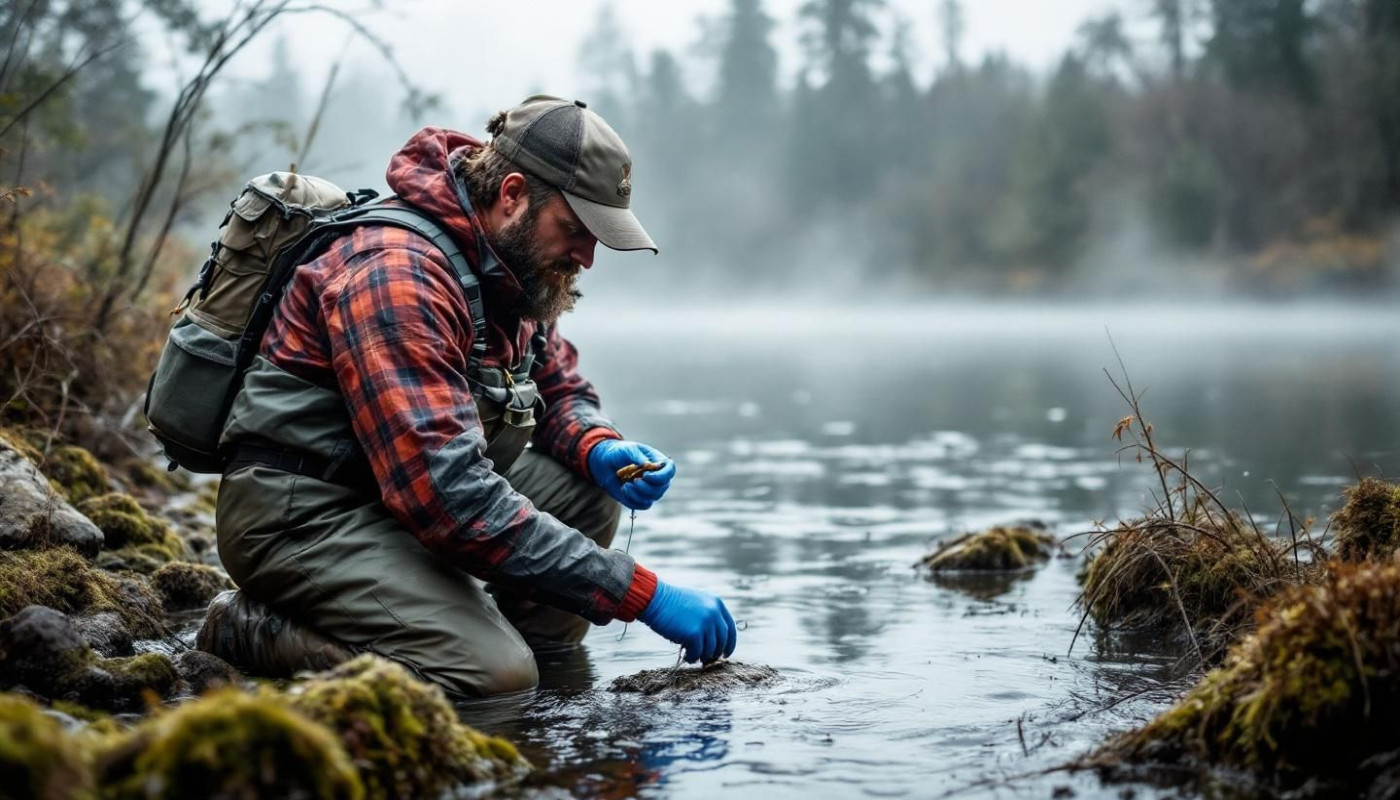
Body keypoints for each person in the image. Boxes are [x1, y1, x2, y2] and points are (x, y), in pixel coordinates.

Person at [201, 96, 738, 697]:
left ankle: (526, 674)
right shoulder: (396, 273)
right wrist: (641, 593)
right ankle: (251, 629)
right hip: (304, 512)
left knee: (587, 494)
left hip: (393, 497)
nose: (588, 256)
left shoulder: (512, 269)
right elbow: (448, 495)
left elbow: (559, 387)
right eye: (578, 229)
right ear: (511, 194)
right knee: (493, 676)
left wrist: (596, 445)